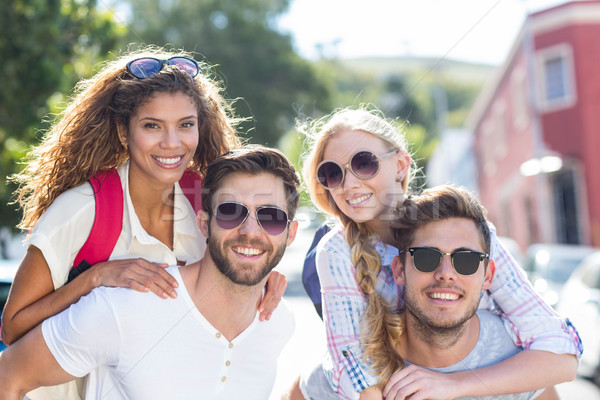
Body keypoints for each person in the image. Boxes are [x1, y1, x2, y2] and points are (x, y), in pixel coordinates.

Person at [2, 48, 286, 400]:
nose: (172, 142)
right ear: (124, 132)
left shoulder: (205, 199)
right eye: (152, 126)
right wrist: (96, 277)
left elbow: (228, 265)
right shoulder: (81, 210)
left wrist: (260, 277)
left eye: (186, 125)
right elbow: (12, 328)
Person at [286, 107, 580, 400]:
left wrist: (453, 385)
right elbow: (355, 371)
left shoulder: (466, 231)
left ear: (401, 165)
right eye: (331, 173)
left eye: (364, 163)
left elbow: (558, 346)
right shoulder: (336, 252)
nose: (348, 184)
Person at [0, 146, 300, 400]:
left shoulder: (277, 322)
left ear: (290, 233)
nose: (250, 232)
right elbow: (7, 376)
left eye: (270, 217)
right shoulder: (125, 307)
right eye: (231, 212)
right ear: (204, 224)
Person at [360, 185, 559, 400]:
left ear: (488, 276)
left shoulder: (522, 359)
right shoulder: (360, 371)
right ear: (399, 270)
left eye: (466, 259)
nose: (446, 274)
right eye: (426, 257)